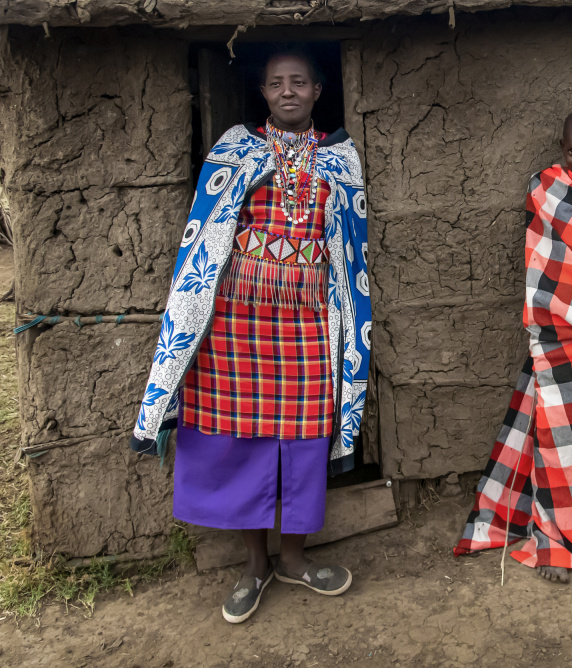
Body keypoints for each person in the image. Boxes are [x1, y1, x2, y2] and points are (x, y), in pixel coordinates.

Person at [129, 50, 371, 623]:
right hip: (236, 321)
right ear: (262, 92)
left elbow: (351, 246)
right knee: (241, 439)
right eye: (275, 84)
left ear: (317, 91)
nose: (287, 91)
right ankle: (255, 566)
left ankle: (294, 559)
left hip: (310, 319)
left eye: (299, 83)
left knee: (304, 433)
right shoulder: (235, 149)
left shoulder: (340, 157)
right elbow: (208, 230)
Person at [455, 108, 572, 583]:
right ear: (561, 148)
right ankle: (555, 541)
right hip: (557, 334)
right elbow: (543, 257)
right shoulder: (544, 187)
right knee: (557, 446)